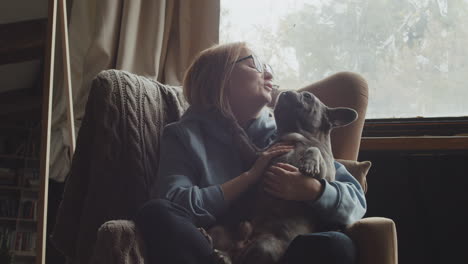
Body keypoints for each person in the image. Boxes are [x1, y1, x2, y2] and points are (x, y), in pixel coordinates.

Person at [135, 42, 368, 264]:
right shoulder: (183, 136)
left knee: (336, 245)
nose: (269, 74)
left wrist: (313, 191)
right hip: (217, 246)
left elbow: (355, 203)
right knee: (155, 214)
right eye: (255, 64)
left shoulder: (290, 132)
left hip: (279, 249)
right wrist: (248, 178)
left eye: (269, 67)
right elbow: (173, 202)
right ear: (219, 77)